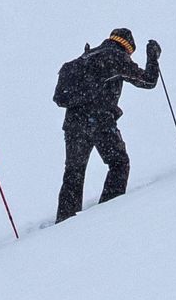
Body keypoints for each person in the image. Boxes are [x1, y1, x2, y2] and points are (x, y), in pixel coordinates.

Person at [49, 26, 162, 218]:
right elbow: (148, 81)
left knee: (74, 173)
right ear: (128, 47)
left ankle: (65, 221)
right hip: (100, 121)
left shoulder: (83, 59)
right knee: (119, 163)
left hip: (73, 123)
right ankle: (108, 214)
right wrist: (153, 57)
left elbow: (60, 97)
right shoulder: (115, 56)